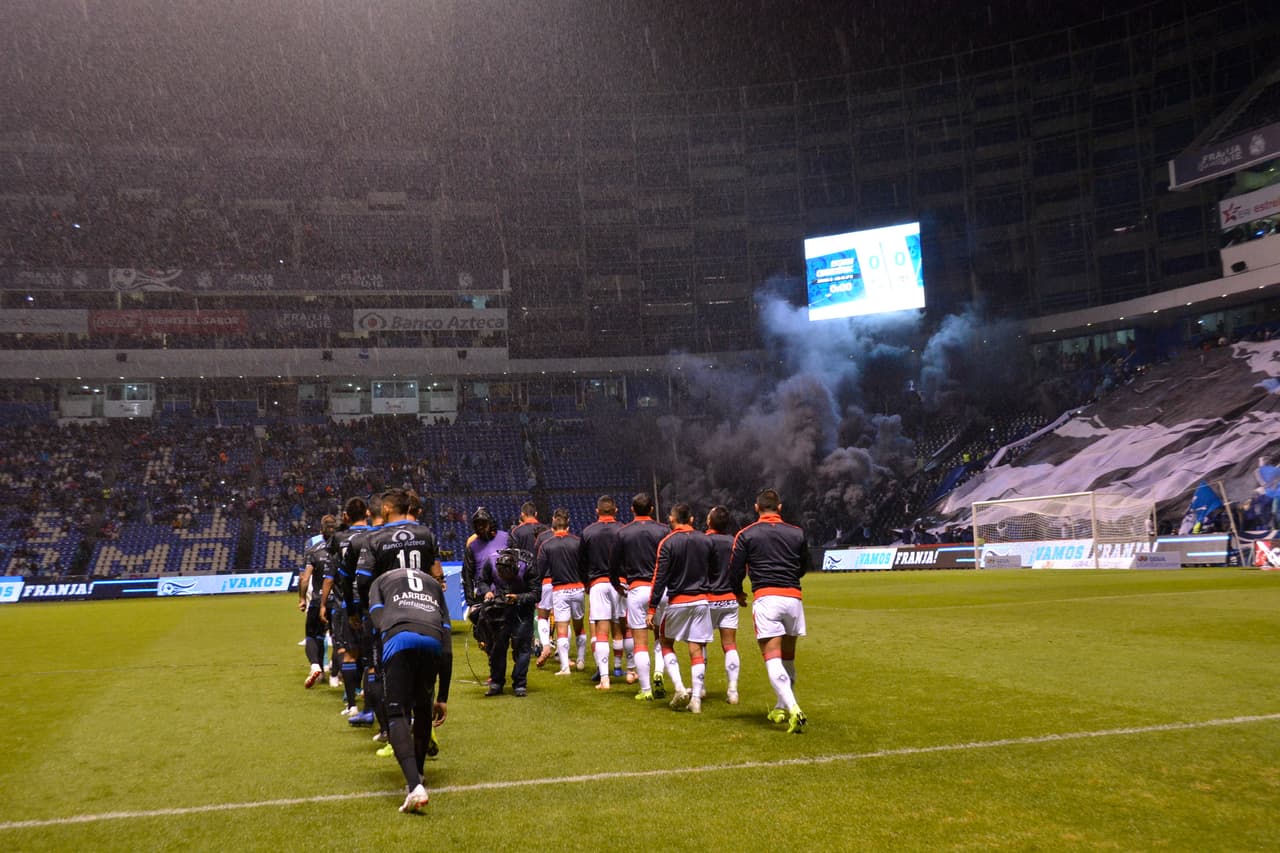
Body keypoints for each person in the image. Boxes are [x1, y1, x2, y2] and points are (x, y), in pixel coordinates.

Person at [367, 553, 451, 814]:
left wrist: (390, 637)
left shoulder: (380, 580)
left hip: (398, 636)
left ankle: (414, 786)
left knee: (396, 712)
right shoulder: (433, 584)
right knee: (424, 707)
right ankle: (420, 775)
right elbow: (447, 644)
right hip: (433, 638)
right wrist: (444, 696)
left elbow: (377, 618)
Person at [728, 488, 811, 734]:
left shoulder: (746, 534)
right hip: (793, 599)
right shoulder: (797, 533)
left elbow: (735, 569)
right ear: (780, 507)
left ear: (757, 508)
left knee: (772, 657)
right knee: (788, 658)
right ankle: (780, 706)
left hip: (767, 598)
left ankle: (794, 708)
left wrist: (738, 592)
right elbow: (804, 566)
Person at [648, 502, 715, 713]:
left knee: (665, 641)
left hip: (678, 601)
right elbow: (713, 571)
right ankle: (696, 699)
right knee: (696, 648)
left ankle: (679, 688)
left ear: (672, 519)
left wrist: (652, 608)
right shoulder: (706, 540)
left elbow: (659, 578)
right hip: (701, 601)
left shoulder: (667, 542)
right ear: (692, 519)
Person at [609, 492, 669, 700]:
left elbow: (613, 565)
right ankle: (659, 673)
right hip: (661, 590)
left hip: (636, 590)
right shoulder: (664, 530)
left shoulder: (623, 533)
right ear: (652, 509)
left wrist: (617, 585)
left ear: (632, 509)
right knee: (662, 639)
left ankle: (645, 690)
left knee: (640, 642)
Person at [476, 547, 539, 696]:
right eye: (501, 575)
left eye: (508, 575)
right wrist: (488, 592)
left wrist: (518, 598)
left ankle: (520, 683)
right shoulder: (490, 562)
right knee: (497, 647)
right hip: (500, 609)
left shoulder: (528, 565)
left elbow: (536, 593)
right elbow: (482, 581)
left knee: (522, 647)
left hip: (522, 611)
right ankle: (497, 683)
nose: (504, 577)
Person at [580, 495, 623, 689]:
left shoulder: (588, 532)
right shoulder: (623, 530)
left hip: (597, 584)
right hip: (620, 584)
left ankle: (605, 678)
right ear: (615, 510)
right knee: (626, 628)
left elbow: (581, 562)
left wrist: (587, 583)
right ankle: (627, 669)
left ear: (597, 511)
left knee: (602, 631)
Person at [536, 507, 585, 675]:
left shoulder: (546, 544)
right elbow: (584, 565)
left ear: (552, 528)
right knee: (579, 625)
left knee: (561, 627)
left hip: (559, 589)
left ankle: (564, 667)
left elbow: (540, 571)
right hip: (578, 588)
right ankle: (580, 659)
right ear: (568, 527)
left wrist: (536, 589)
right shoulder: (577, 541)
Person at [704, 505, 742, 705]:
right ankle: (733, 690)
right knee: (730, 645)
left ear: (709, 521)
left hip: (706, 599)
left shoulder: (702, 541)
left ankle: (699, 688)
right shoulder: (734, 541)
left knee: (699, 645)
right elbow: (739, 569)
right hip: (729, 598)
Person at [508, 502, 553, 665]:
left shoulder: (516, 531)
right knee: (546, 610)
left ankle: (533, 641)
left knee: (530, 609)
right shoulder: (546, 530)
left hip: (525, 573)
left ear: (522, 514)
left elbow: (513, 553)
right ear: (536, 513)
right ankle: (548, 640)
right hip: (544, 572)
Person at [297, 514, 338, 689]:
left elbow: (304, 579)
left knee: (313, 636)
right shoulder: (343, 548)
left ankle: (316, 667)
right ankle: (336, 675)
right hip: (338, 601)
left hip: (317, 601)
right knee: (339, 639)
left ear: (321, 530)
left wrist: (301, 598)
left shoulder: (313, 550)